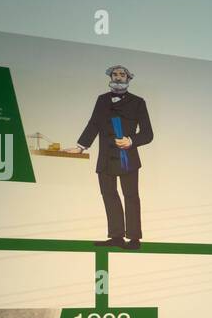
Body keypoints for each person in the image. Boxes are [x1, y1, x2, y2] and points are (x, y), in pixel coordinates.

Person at [65, 65, 153, 250]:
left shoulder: (138, 102)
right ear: (110, 77)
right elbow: (94, 124)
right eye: (115, 74)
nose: (119, 77)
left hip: (126, 156)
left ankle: (134, 239)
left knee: (131, 196)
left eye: (122, 74)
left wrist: (131, 141)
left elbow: (148, 133)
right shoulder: (102, 100)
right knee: (109, 195)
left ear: (129, 78)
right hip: (105, 157)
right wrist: (81, 147)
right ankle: (116, 237)